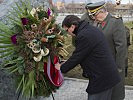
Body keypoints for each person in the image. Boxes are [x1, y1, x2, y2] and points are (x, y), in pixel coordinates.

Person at [55, 15, 121, 100]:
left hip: (102, 78)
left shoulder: (83, 35)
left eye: (67, 30)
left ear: (72, 26)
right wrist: (66, 62)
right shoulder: (89, 29)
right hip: (106, 75)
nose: (68, 33)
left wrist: (61, 67)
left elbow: (77, 57)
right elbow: (84, 54)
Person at [82, 1, 127, 100]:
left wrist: (118, 69)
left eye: (94, 15)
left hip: (113, 68)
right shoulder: (95, 23)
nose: (93, 17)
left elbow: (121, 48)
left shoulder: (115, 22)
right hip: (99, 69)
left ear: (100, 12)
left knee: (114, 95)